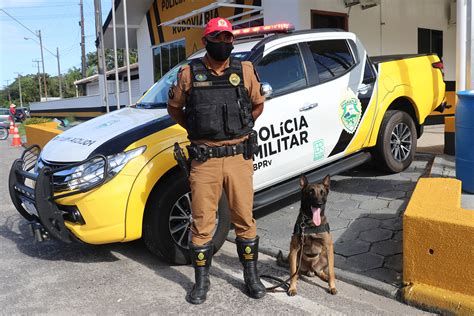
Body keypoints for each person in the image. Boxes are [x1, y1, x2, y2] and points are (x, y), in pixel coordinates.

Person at [167, 17, 266, 304]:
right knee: (201, 223)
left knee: (244, 219)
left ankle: (251, 276)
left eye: (227, 38)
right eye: (217, 38)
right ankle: (201, 282)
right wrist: (196, 130)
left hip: (238, 157)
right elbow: (175, 108)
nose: (223, 43)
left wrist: (243, 125)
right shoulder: (189, 73)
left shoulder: (245, 70)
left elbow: (258, 104)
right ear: (205, 42)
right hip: (205, 160)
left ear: (232, 41)